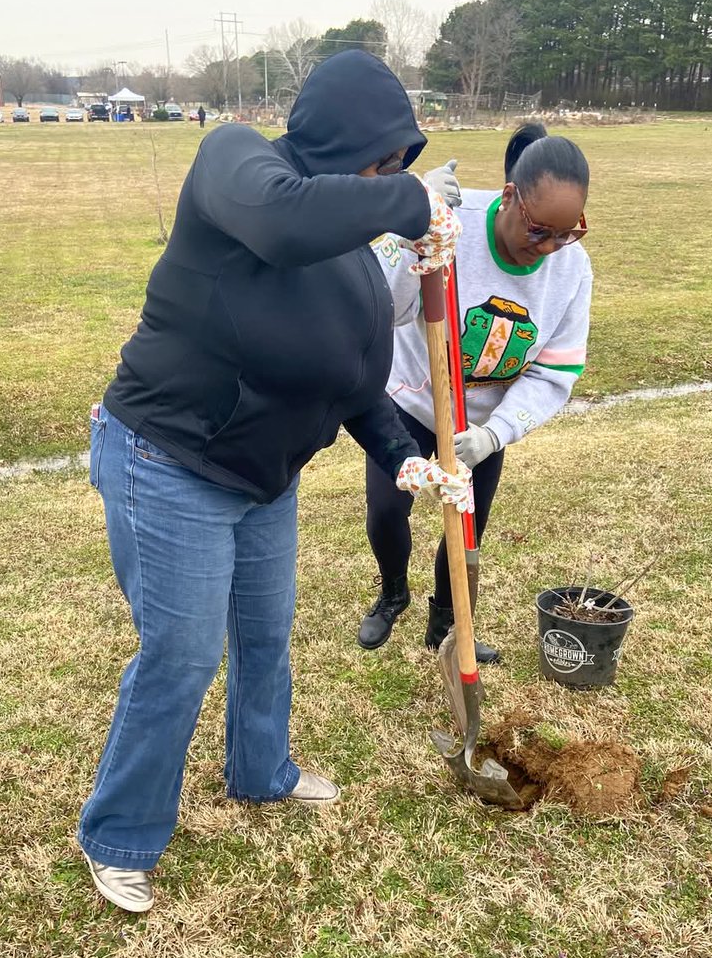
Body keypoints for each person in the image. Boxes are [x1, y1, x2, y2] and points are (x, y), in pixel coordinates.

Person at [77, 51, 470, 913]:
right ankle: (119, 833)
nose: (386, 181)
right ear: (337, 142)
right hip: (168, 459)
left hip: (265, 477)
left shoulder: (354, 256)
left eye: (399, 169)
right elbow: (286, 222)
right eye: (378, 164)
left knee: (266, 633)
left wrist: (405, 456)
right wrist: (414, 204)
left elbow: (355, 383)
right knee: (182, 655)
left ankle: (262, 772)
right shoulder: (238, 163)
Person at [358, 124, 592, 661]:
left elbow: (555, 372)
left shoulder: (572, 270)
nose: (550, 247)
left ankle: (446, 623)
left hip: (481, 427)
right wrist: (413, 223)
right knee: (388, 511)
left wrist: (494, 435)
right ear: (510, 195)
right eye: (539, 231)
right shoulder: (454, 221)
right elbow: (389, 311)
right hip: (411, 401)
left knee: (466, 527)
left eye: (567, 233)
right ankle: (393, 591)